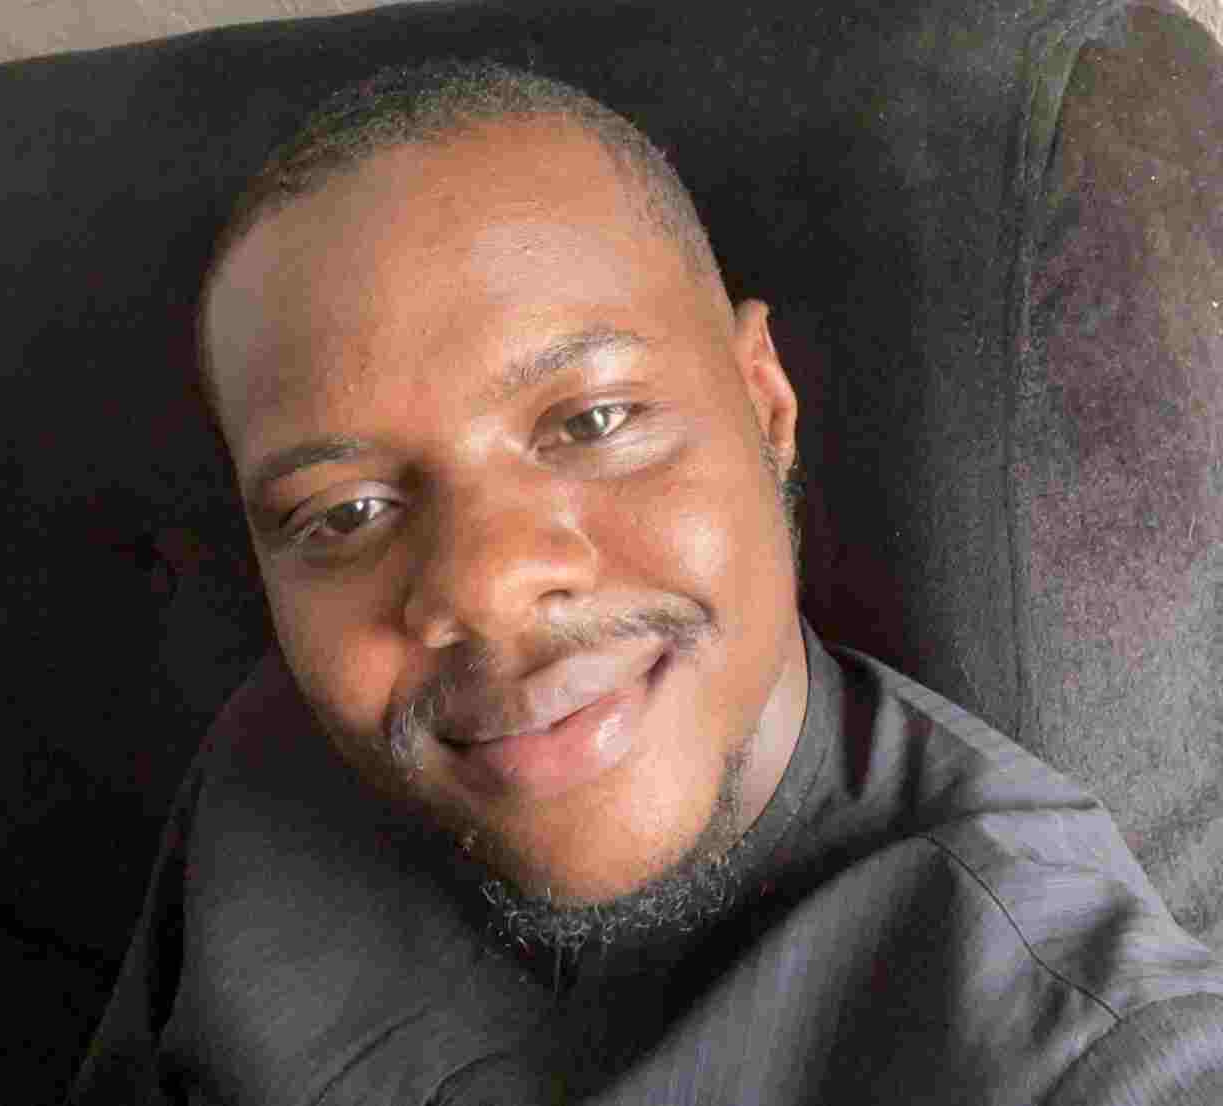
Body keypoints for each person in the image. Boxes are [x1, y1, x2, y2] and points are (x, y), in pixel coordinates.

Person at [70, 58, 1223, 1104]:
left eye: (591, 420)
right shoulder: (266, 760)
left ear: (764, 407)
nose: (484, 588)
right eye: (345, 512)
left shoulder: (1070, 1036)